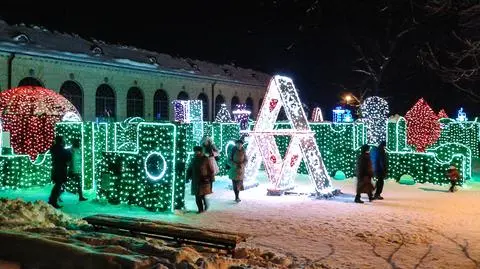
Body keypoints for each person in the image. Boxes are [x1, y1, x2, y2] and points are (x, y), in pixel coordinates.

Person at [186, 146, 214, 213]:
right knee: (197, 196)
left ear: (201, 151)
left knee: (202, 195)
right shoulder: (193, 159)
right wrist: (187, 177)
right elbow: (190, 169)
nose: (196, 152)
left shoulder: (206, 159)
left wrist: (211, 179)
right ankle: (200, 209)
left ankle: (206, 204)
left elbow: (211, 170)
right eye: (195, 151)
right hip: (195, 180)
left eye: (198, 151)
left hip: (204, 180)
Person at [48, 136, 71, 209]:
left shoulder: (54, 148)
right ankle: (53, 201)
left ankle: (53, 200)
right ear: (61, 141)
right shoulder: (61, 150)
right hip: (60, 170)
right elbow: (66, 158)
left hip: (55, 169)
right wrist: (68, 151)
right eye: (64, 140)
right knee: (58, 185)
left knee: (58, 185)